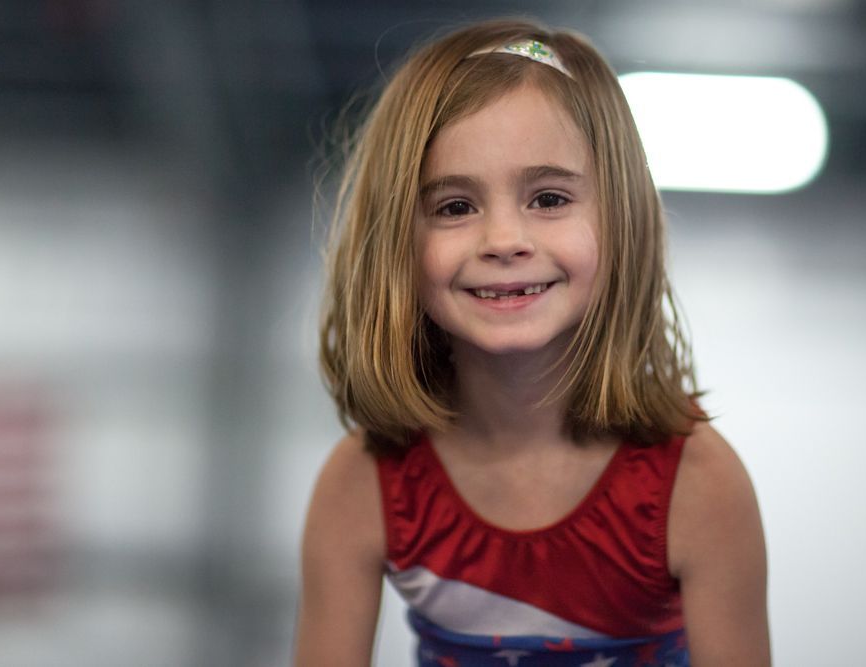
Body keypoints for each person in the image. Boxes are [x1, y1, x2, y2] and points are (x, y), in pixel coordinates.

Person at [294, 17, 770, 667]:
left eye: (548, 198)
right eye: (455, 207)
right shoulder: (364, 481)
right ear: (396, 242)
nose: (503, 240)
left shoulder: (698, 483)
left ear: (621, 218)